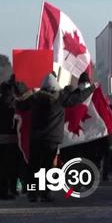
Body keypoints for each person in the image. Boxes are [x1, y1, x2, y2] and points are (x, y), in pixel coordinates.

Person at [15, 73, 64, 202]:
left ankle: (32, 193)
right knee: (47, 167)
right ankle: (45, 193)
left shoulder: (34, 98)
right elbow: (78, 98)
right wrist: (92, 88)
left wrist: (27, 93)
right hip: (52, 139)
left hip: (35, 138)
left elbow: (20, 105)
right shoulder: (60, 99)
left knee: (34, 167)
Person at [0, 76, 19, 200]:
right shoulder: (14, 103)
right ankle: (11, 188)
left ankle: (3, 190)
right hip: (12, 138)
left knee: (2, 166)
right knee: (12, 166)